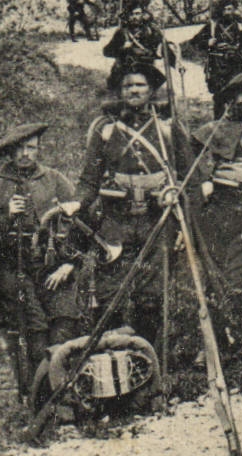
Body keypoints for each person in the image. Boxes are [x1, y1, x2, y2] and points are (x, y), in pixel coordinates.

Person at [75, 64, 200, 353]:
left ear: (151, 91)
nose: (134, 90)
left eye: (140, 85)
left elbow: (191, 177)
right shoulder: (105, 129)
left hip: (157, 221)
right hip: (114, 221)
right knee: (109, 292)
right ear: (120, 91)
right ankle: (112, 356)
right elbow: (88, 181)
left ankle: (147, 357)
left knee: (151, 294)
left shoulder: (168, 127)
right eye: (128, 85)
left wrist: (186, 225)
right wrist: (76, 203)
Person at [0, 123, 82, 393]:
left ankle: (66, 391)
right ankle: (39, 395)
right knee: (34, 331)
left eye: (31, 148)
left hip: (53, 266)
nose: (26, 154)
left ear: (38, 149)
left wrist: (69, 263)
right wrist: (6, 216)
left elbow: (80, 223)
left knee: (65, 321)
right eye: (19, 149)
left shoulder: (54, 179)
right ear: (10, 153)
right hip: (14, 269)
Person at [191, 69, 242, 323]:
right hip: (221, 205)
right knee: (215, 271)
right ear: (232, 99)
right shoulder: (215, 129)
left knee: (240, 274)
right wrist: (204, 179)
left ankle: (236, 328)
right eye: (241, 94)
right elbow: (188, 156)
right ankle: (221, 334)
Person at [184, 0, 242, 118]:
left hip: (236, 63)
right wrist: (208, 42)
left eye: (230, 9)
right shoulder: (213, 25)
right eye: (224, 9)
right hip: (217, 65)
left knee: (237, 91)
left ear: (234, 10)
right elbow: (195, 41)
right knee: (219, 96)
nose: (227, 12)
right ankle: (218, 122)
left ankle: (236, 119)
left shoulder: (241, 25)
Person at [102, 2, 176, 93]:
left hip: (146, 69)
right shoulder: (121, 33)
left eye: (137, 14)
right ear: (127, 16)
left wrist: (176, 64)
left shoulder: (151, 31)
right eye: (132, 14)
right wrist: (122, 48)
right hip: (125, 70)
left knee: (152, 94)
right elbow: (107, 51)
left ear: (142, 15)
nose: (134, 17)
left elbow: (164, 47)